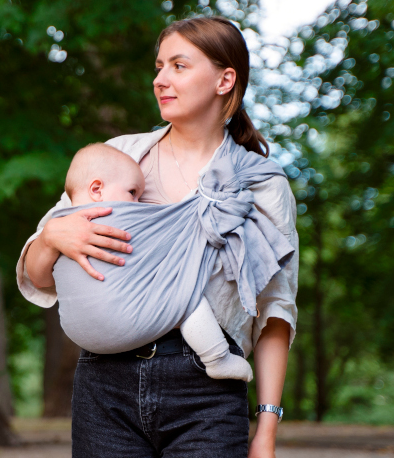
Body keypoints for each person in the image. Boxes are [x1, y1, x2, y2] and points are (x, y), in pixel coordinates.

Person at [17, 17, 297, 458]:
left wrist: (267, 427)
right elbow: (42, 273)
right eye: (158, 67)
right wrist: (52, 238)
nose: (160, 79)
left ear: (225, 80)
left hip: (206, 394)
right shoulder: (120, 158)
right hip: (107, 390)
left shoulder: (260, 185)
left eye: (178, 65)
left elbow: (274, 312)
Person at [55, 141, 289, 381]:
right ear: (96, 190)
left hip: (82, 336)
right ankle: (217, 358)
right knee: (184, 291)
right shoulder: (102, 217)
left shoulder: (59, 223)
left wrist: (49, 236)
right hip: (107, 360)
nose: (138, 203)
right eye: (132, 193)